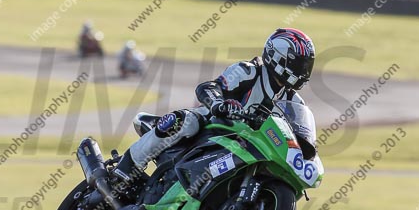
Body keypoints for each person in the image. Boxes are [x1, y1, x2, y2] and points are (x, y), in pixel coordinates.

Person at [113, 27, 316, 182]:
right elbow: (208, 87)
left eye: (307, 65)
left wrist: (306, 149)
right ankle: (123, 172)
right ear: (279, 58)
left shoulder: (293, 101)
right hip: (214, 126)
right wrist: (219, 103)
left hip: (248, 146)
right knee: (184, 121)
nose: (304, 71)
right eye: (300, 64)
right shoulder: (249, 71)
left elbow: (297, 135)